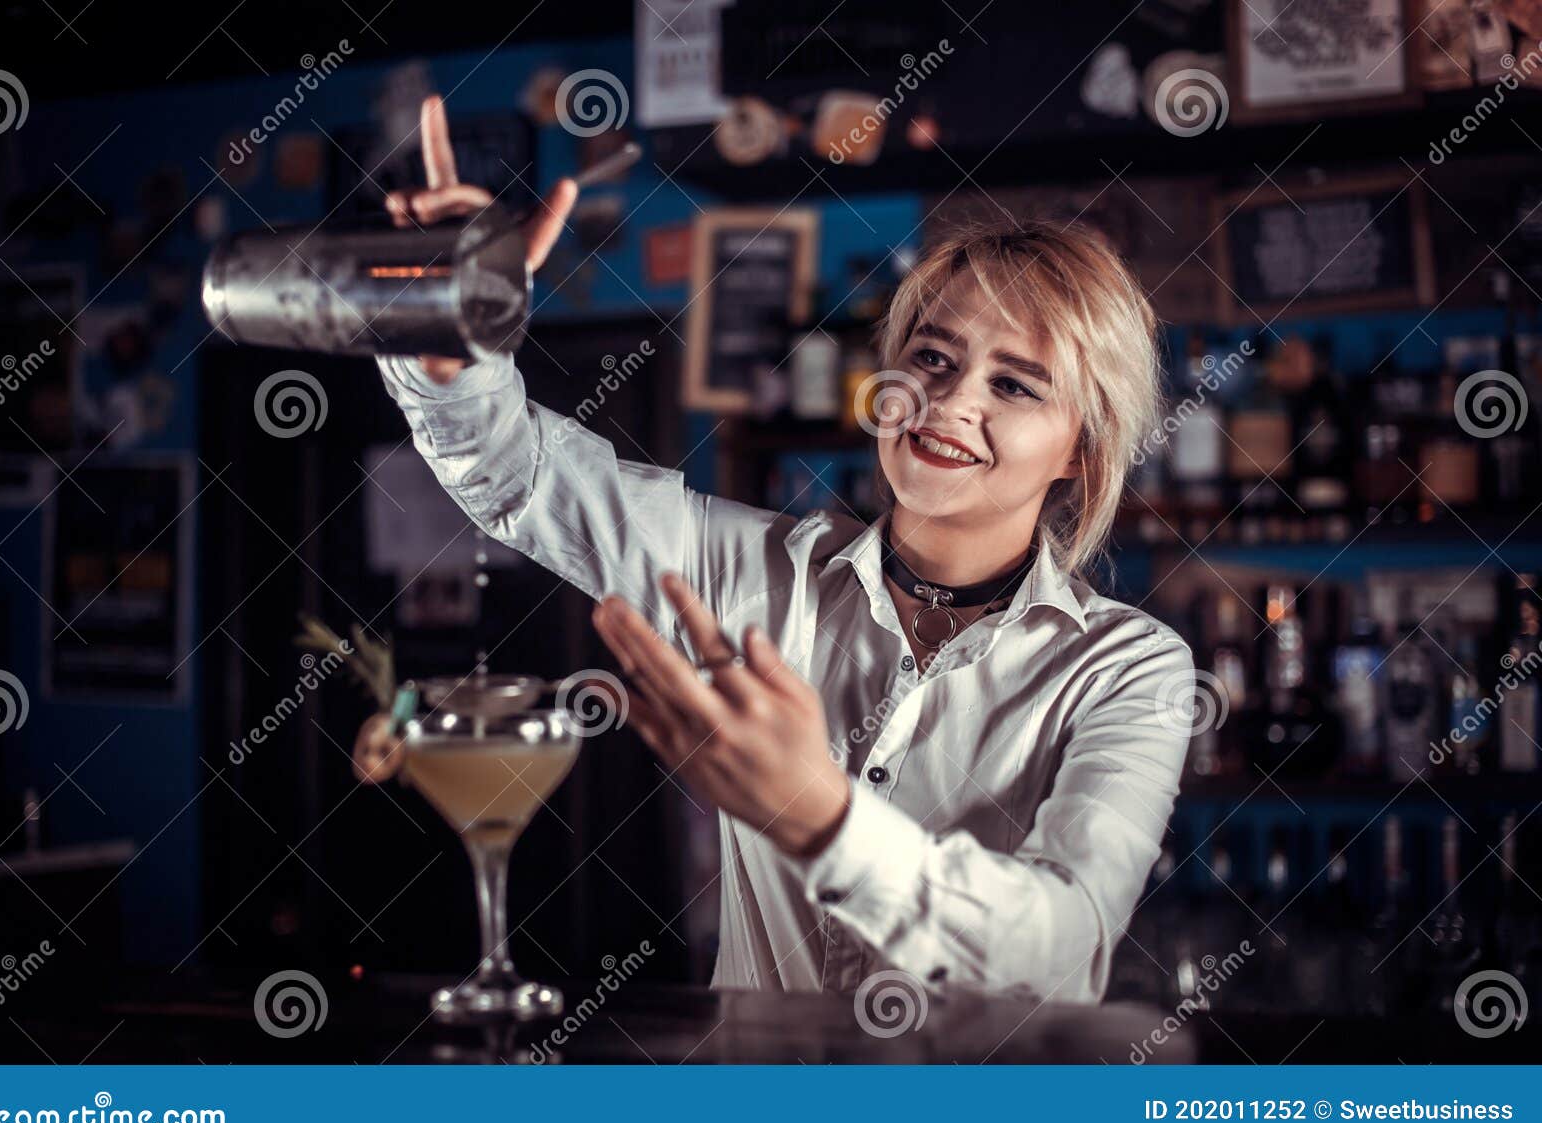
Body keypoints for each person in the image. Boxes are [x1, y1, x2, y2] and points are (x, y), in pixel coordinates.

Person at [353, 95, 1193, 1003]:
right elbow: (518, 478)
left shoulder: (1130, 670)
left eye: (1016, 385)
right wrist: (449, 341)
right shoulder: (747, 571)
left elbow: (1062, 945)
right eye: (935, 357)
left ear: (1080, 450)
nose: (949, 402)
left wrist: (822, 818)